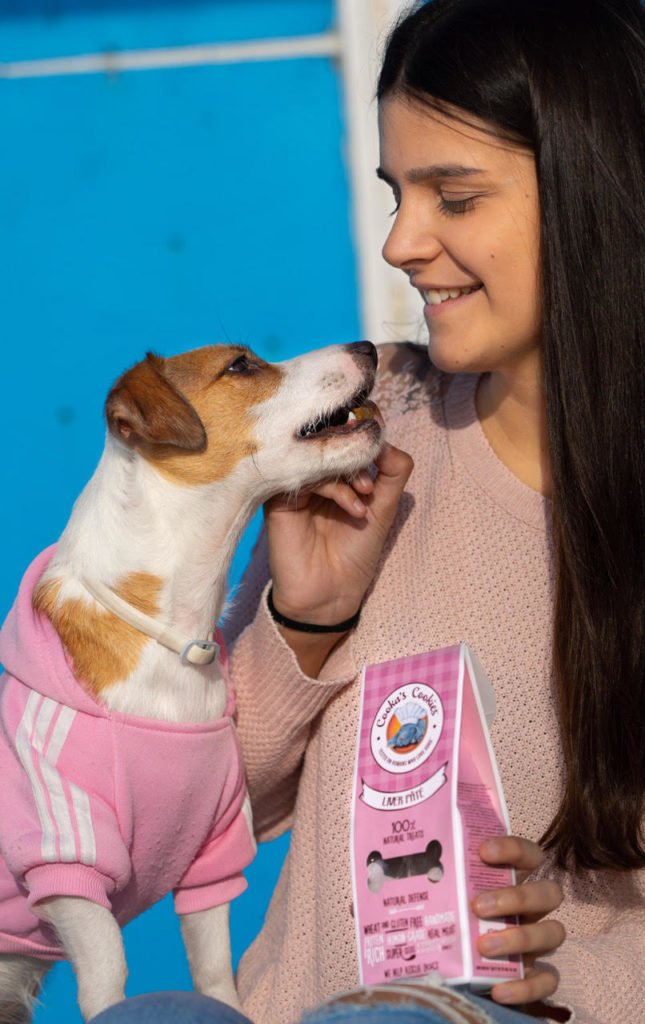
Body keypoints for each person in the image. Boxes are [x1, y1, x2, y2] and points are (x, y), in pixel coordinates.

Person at [95, 1, 644, 1023]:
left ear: (595, 192)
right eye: (398, 191)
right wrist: (304, 624)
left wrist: (572, 978)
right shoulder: (370, 421)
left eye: (456, 195)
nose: (401, 240)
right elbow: (183, 828)